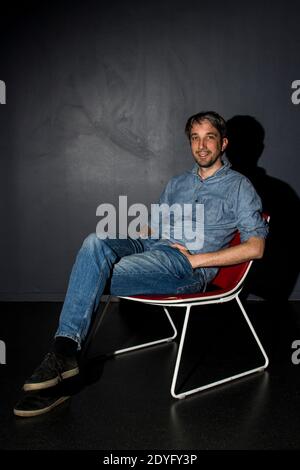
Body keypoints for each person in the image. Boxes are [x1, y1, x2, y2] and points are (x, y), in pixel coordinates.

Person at [13, 111, 268, 417]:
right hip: (151, 247)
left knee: (93, 272)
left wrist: (197, 259)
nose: (201, 145)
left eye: (209, 137)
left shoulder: (239, 187)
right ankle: (65, 353)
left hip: (184, 266)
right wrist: (123, 244)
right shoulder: (177, 183)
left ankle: (63, 360)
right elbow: (153, 227)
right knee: (95, 243)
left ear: (223, 143)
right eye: (195, 138)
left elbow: (256, 247)